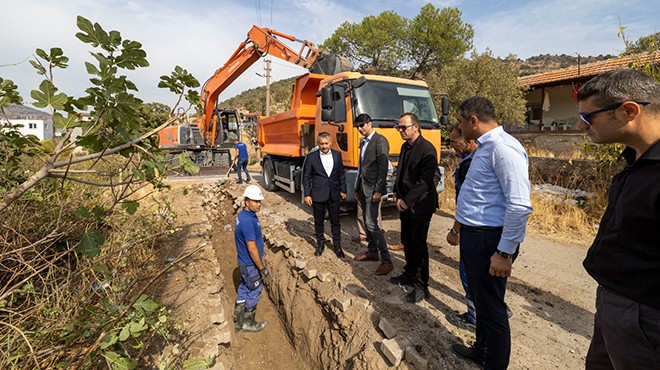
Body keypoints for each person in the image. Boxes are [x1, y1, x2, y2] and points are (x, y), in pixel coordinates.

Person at [575, 68, 660, 369]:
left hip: (643, 319)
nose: (580, 125)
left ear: (628, 111)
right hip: (615, 307)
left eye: (589, 117)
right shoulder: (636, 160)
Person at [450, 96, 532, 370]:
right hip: (477, 237)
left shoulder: (504, 148)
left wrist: (504, 252)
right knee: (482, 303)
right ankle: (481, 350)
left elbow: (519, 205)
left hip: (490, 240)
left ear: (474, 121)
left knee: (493, 310)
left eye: (461, 123)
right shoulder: (485, 147)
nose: (459, 129)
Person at [389, 113, 438, 303]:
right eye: (398, 127)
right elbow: (400, 171)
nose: (400, 131)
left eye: (403, 127)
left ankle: (421, 286)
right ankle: (409, 273)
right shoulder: (405, 147)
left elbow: (424, 183)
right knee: (407, 241)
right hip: (406, 203)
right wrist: (396, 191)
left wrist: (406, 201)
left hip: (420, 205)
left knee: (418, 245)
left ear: (415, 127)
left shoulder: (427, 150)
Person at [444, 123, 479, 330]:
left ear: (468, 141)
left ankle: (474, 317)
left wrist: (456, 230)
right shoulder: (476, 159)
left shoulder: (470, 166)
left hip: (470, 228)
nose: (452, 146)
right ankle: (493, 307)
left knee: (469, 272)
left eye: (454, 142)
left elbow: (466, 203)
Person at [352, 113, 393, 276]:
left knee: (371, 223)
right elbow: (361, 167)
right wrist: (356, 188)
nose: (360, 129)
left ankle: (387, 260)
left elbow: (383, 168)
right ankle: (372, 251)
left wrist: (378, 190)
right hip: (363, 188)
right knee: (365, 220)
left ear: (370, 123)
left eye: (362, 125)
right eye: (358, 127)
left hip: (373, 190)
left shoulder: (380, 140)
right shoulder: (363, 142)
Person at [303, 132, 347, 258]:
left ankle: (337, 246)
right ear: (318, 144)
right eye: (321, 144)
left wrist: (343, 190)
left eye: (326, 143)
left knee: (335, 221)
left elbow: (341, 174)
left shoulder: (337, 155)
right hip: (318, 194)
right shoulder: (312, 157)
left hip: (334, 193)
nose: (324, 146)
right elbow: (307, 177)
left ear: (331, 142)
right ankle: (320, 244)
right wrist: (307, 194)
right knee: (319, 221)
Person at [234, 185, 270, 333]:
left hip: (243, 262)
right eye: (256, 201)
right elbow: (252, 247)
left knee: (244, 286)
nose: (259, 204)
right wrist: (262, 268)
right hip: (250, 264)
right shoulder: (248, 222)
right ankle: (248, 323)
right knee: (254, 289)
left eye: (260, 201)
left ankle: (238, 319)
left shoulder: (244, 216)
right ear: (247, 201)